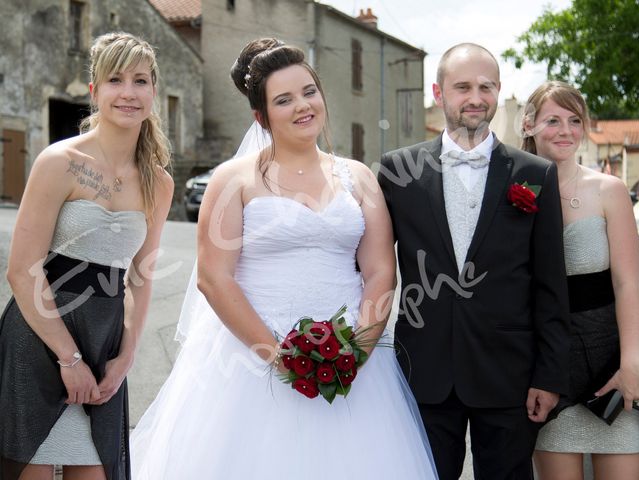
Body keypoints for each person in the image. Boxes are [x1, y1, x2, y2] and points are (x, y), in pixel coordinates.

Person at [130, 38, 438, 479]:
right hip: (251, 361)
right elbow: (214, 278)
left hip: (354, 359)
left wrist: (356, 350)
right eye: (284, 99)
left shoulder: (358, 177)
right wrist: (279, 356)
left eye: (309, 91)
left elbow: (379, 270)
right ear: (261, 116)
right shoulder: (232, 180)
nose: (302, 106)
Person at [378, 43, 571, 480]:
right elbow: (371, 268)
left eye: (486, 86)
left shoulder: (534, 173)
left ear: (498, 91)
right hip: (423, 370)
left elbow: (550, 284)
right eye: (462, 86)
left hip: (509, 375)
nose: (476, 97)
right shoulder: (396, 172)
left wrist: (549, 375)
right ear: (439, 92)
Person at [0, 32, 174, 480]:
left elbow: (141, 276)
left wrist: (126, 356)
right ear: (95, 92)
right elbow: (21, 270)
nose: (129, 93)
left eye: (140, 80)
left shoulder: (159, 182)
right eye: (116, 80)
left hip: (104, 348)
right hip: (40, 336)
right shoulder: (60, 161)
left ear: (154, 91)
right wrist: (67, 359)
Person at [522, 80, 639, 480]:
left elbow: (628, 283)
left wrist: (632, 363)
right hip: (549, 372)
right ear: (528, 125)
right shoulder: (511, 192)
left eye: (575, 120)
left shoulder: (610, 190)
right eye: (552, 120)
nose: (566, 130)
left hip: (611, 367)